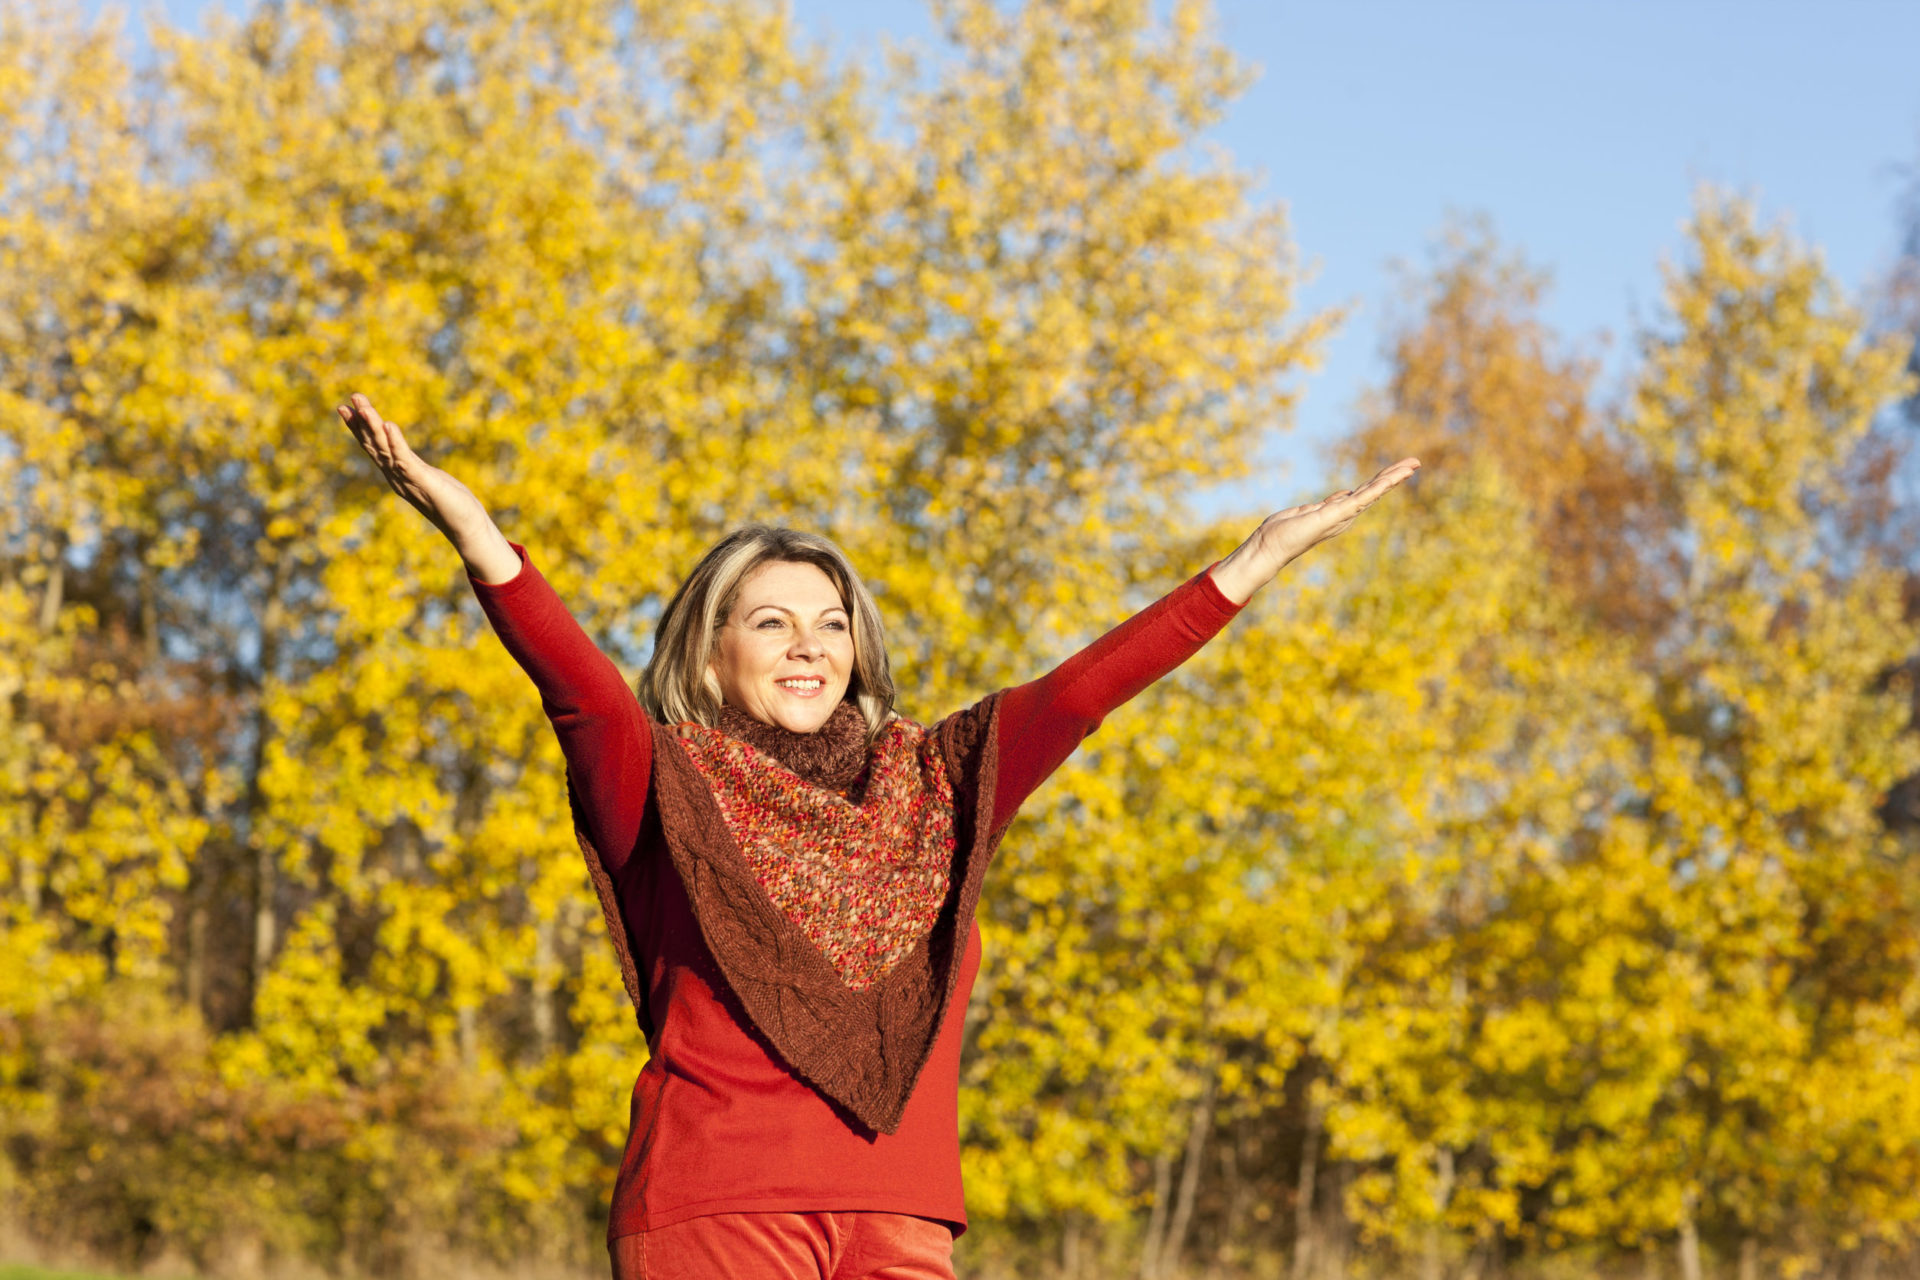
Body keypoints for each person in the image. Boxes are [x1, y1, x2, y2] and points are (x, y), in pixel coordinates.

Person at [338, 391, 1419, 1280]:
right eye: (771, 622)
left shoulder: (938, 783)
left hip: (903, 1220)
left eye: (830, 623)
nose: (809, 647)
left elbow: (1080, 694)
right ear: (711, 655)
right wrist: (481, 539)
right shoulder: (661, 781)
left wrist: (1254, 559)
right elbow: (582, 695)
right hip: (712, 1211)